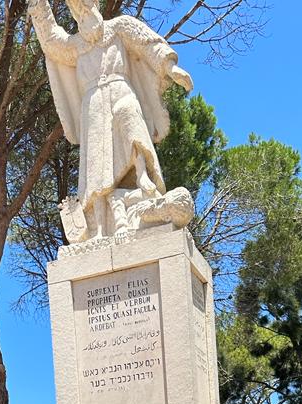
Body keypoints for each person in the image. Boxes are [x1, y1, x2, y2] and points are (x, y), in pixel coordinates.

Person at [27, 0, 193, 238]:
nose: (83, 15)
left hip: (121, 89)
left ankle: (142, 176)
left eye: (86, 8)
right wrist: (39, 6)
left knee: (130, 116)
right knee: (97, 165)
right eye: (78, 13)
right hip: (93, 105)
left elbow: (147, 43)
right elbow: (52, 42)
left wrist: (170, 67)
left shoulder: (119, 27)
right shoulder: (76, 46)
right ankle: (100, 224)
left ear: (95, 6)